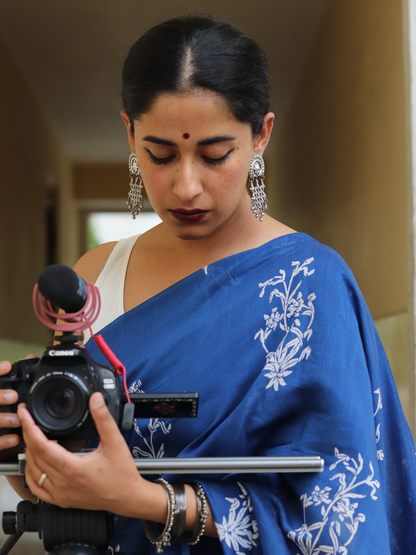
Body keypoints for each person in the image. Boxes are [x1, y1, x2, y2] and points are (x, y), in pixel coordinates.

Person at [0, 13, 416, 555]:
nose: (186, 186)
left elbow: (338, 509)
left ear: (261, 135)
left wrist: (148, 501)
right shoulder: (92, 277)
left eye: (216, 154)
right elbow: (60, 485)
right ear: (129, 132)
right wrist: (21, 449)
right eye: (160, 154)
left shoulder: (313, 284)